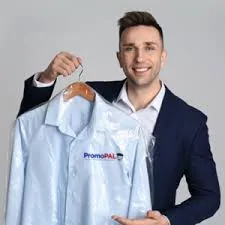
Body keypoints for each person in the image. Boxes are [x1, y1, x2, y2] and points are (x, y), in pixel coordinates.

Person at [17, 11, 220, 225]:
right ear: (119, 58)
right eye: (130, 48)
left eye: (149, 47)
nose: (140, 58)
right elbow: (31, 131)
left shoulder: (189, 122)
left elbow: (209, 196)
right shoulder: (89, 96)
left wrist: (167, 221)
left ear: (163, 56)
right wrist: (47, 78)